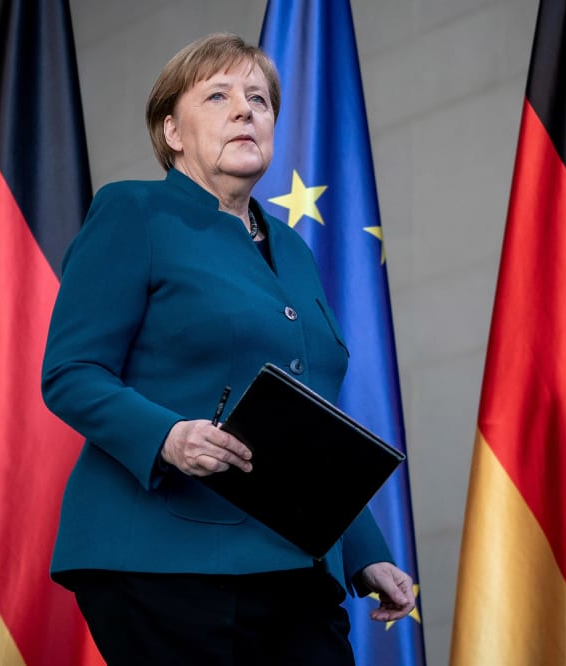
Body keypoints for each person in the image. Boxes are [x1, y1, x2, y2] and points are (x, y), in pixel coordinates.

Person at [41, 32, 415, 665]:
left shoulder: (293, 249)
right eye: (218, 96)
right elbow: (72, 372)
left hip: (297, 568)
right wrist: (167, 436)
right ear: (172, 131)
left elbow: (307, 421)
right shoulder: (133, 212)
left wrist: (364, 550)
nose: (245, 110)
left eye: (259, 100)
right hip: (163, 559)